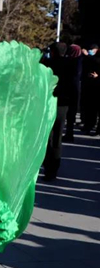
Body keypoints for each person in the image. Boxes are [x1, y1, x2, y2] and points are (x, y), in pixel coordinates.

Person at [41, 42, 74, 181]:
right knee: (57, 137)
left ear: (53, 52)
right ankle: (54, 167)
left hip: (49, 102)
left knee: (47, 136)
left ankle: (48, 167)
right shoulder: (71, 65)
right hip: (63, 104)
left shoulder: (48, 64)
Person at [63, 44, 83, 142]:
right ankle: (69, 134)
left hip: (69, 89)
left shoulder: (71, 62)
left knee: (69, 114)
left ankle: (69, 134)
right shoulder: (79, 61)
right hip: (75, 90)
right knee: (71, 114)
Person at [81, 44, 100, 135]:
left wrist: (87, 55)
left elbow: (97, 62)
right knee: (91, 109)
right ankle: (88, 126)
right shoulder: (91, 59)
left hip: (97, 87)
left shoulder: (95, 58)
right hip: (91, 86)